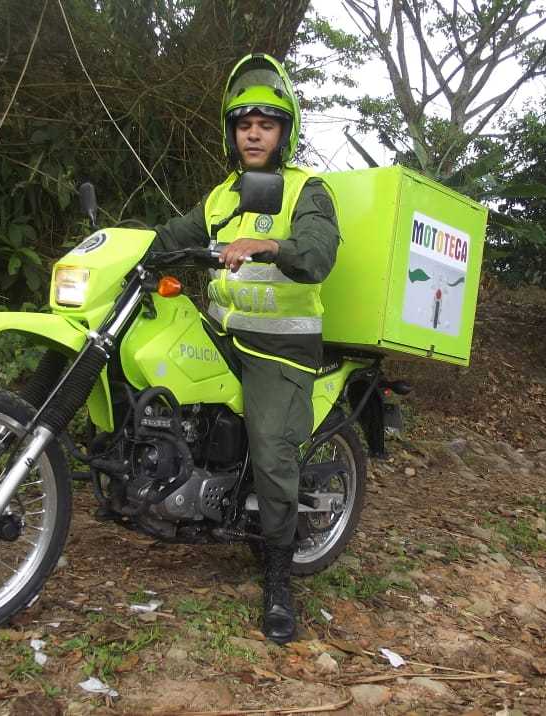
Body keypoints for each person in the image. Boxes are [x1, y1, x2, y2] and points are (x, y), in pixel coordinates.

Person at [149, 53, 340, 644]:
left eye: (267, 122)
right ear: (231, 133)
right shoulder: (221, 195)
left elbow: (316, 255)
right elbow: (174, 235)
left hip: (279, 350)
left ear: (286, 131)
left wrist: (265, 244)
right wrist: (120, 243)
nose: (253, 132)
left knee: (274, 455)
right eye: (243, 123)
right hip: (222, 335)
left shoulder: (308, 190)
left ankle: (279, 579)